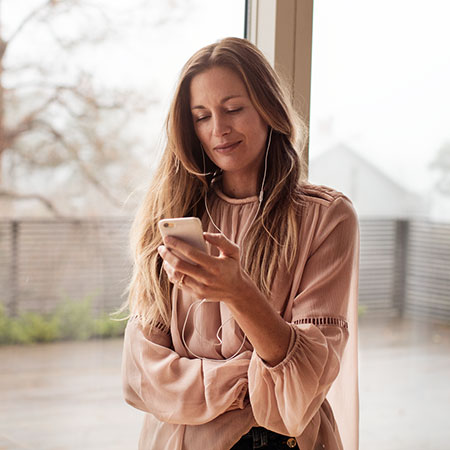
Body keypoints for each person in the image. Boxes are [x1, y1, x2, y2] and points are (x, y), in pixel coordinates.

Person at [121, 37, 359, 450]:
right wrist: (250, 381)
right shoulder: (174, 214)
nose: (219, 130)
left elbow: (300, 390)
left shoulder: (326, 218)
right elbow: (142, 375)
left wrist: (239, 292)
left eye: (233, 109)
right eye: (202, 117)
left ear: (269, 109)